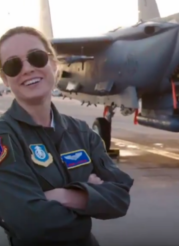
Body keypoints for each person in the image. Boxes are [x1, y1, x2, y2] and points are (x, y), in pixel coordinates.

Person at [0, 26, 134, 246]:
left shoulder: (81, 133)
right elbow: (31, 224)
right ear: (5, 79)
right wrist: (89, 201)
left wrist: (66, 196)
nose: (27, 69)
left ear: (53, 64)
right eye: (13, 65)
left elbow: (120, 198)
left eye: (36, 57)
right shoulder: (5, 137)